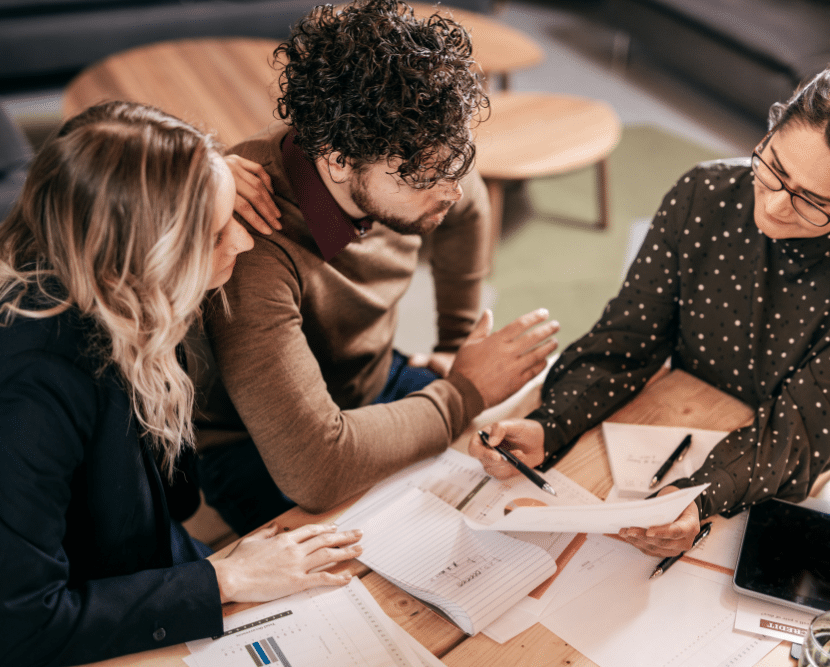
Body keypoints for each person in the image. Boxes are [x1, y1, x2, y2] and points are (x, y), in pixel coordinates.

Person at [0, 101, 362, 667]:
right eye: (215, 233)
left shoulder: (127, 305)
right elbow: (25, 627)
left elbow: (173, 498)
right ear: (142, 259)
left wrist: (206, 178)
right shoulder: (29, 391)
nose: (241, 241)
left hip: (138, 567)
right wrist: (224, 578)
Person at [470, 64, 830, 558]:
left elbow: (800, 432)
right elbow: (626, 338)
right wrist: (552, 424)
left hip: (829, 463)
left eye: (812, 201)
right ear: (773, 127)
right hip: (695, 422)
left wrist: (701, 495)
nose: (777, 206)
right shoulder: (705, 195)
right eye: (775, 168)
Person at [193, 0, 559, 533]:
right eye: (425, 178)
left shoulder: (421, 156)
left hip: (370, 384)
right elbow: (315, 470)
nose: (451, 191)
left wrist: (455, 345)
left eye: (457, 164)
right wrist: (463, 390)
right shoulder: (254, 242)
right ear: (339, 159)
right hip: (263, 448)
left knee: (502, 484)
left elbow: (470, 205)